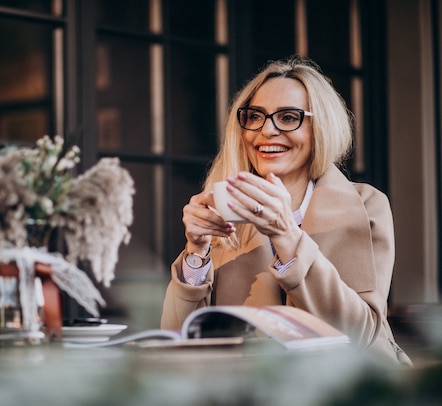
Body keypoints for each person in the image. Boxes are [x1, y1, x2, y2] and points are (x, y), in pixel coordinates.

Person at [160, 56, 411, 366]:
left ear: (321, 126)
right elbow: (178, 340)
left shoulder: (367, 204)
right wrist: (196, 254)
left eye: (289, 117)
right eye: (255, 116)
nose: (266, 130)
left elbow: (359, 333)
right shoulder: (225, 207)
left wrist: (286, 235)